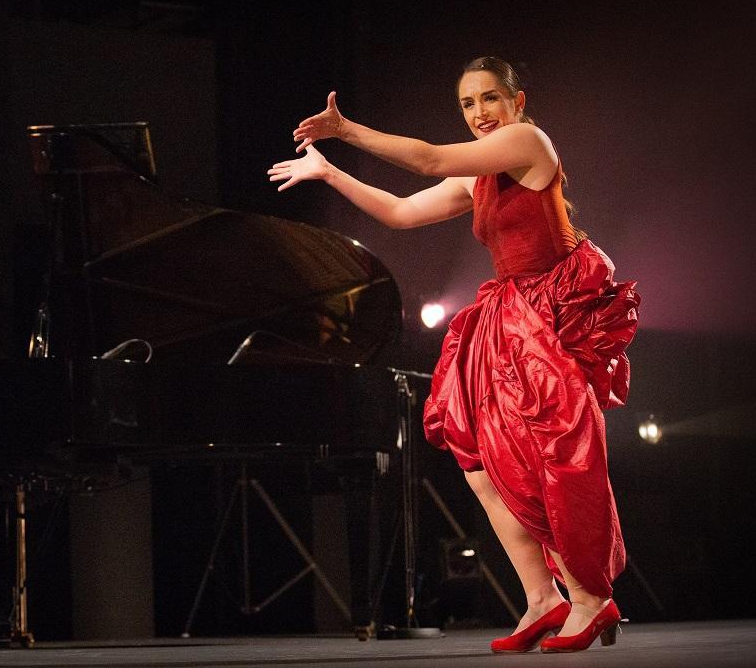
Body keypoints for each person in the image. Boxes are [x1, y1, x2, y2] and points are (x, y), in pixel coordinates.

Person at [269, 57, 639, 653]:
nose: (480, 113)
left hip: (550, 316)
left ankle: (589, 599)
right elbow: (401, 212)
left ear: (517, 102)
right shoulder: (479, 177)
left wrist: (346, 131)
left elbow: (430, 159)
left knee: (554, 459)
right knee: (479, 463)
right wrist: (329, 172)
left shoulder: (527, 143)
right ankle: (541, 597)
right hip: (508, 318)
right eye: (468, 104)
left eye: (490, 98)